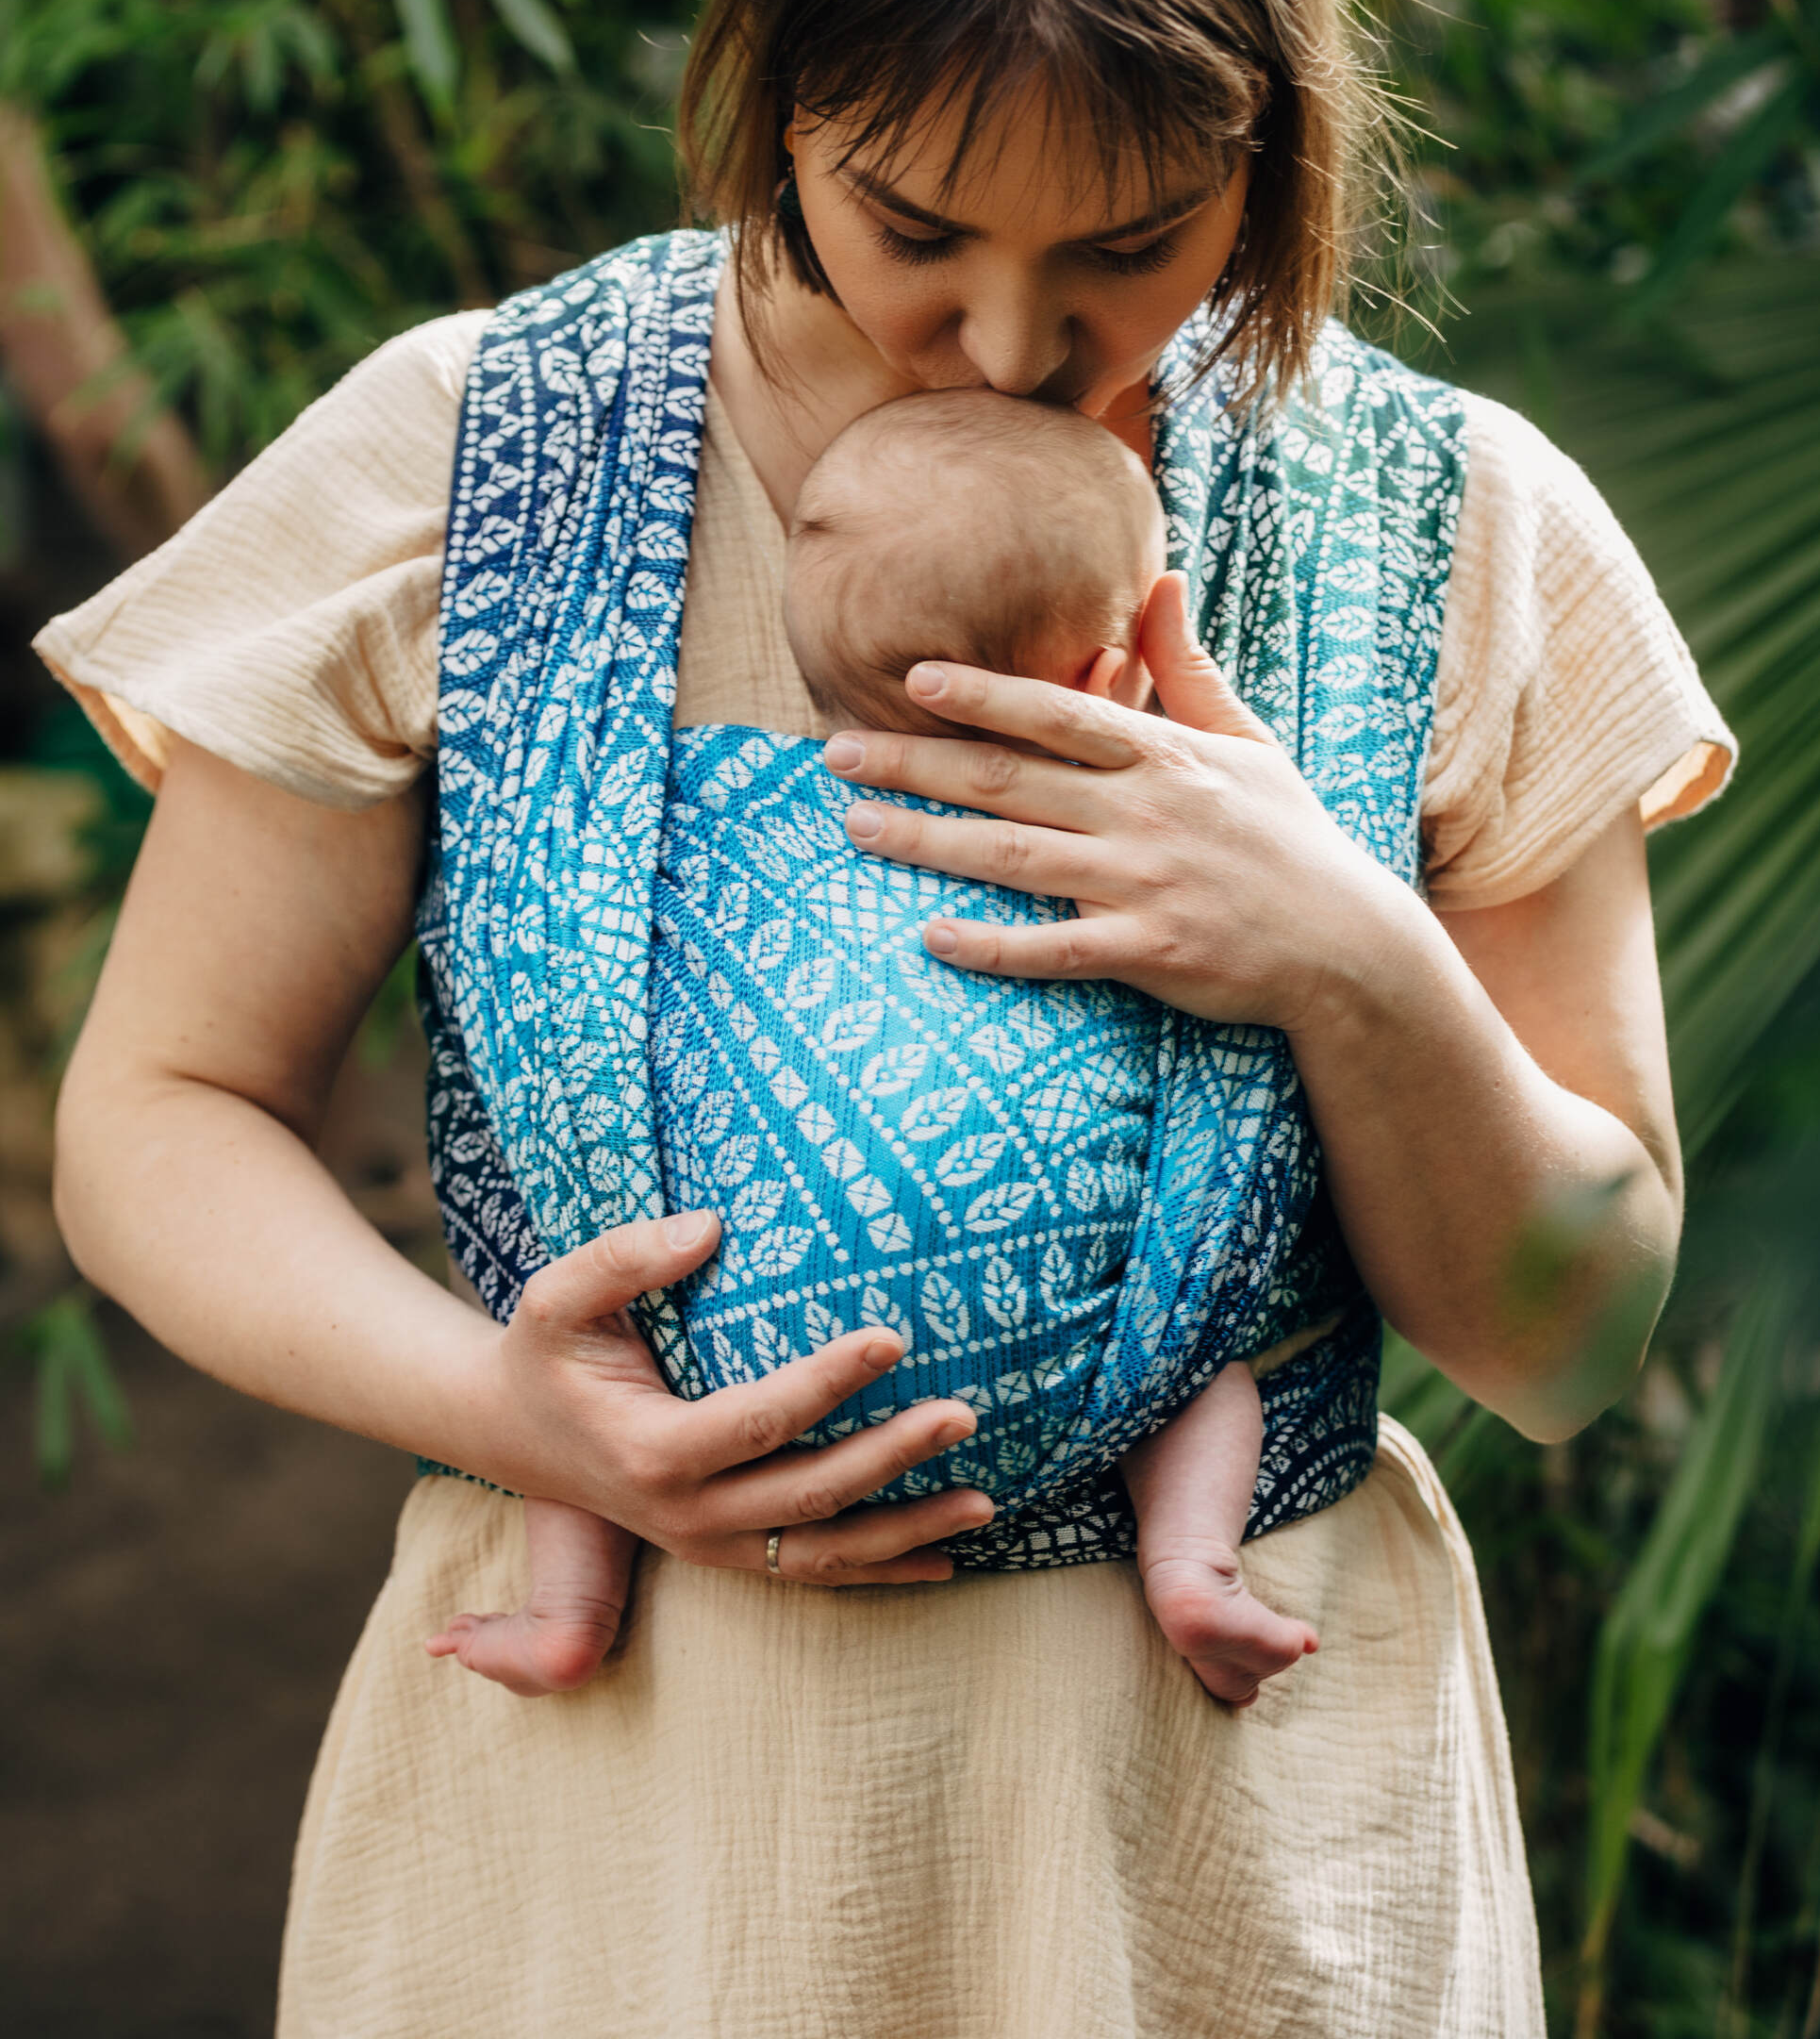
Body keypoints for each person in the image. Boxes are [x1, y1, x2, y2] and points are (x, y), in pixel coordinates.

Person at [40, 0, 1732, 2039]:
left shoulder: (1443, 526)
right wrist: (510, 1413)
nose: (1020, 341)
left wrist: (1342, 948)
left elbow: (1573, 1334)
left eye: (1134, 245)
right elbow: (151, 1121)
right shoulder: (473, 466)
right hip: (624, 1859)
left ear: (1269, 142)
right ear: (778, 84)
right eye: (915, 227)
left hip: (1218, 1878)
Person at [424, 389, 1319, 1709]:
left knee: (578, 1329)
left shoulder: (712, 801)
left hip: (720, 1375)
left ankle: (569, 1609)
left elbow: (563, 965)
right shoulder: (1147, 853)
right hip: (1062, 1379)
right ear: (1110, 673)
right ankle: (1191, 1565)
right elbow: (1232, 1048)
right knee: (1202, 1356)